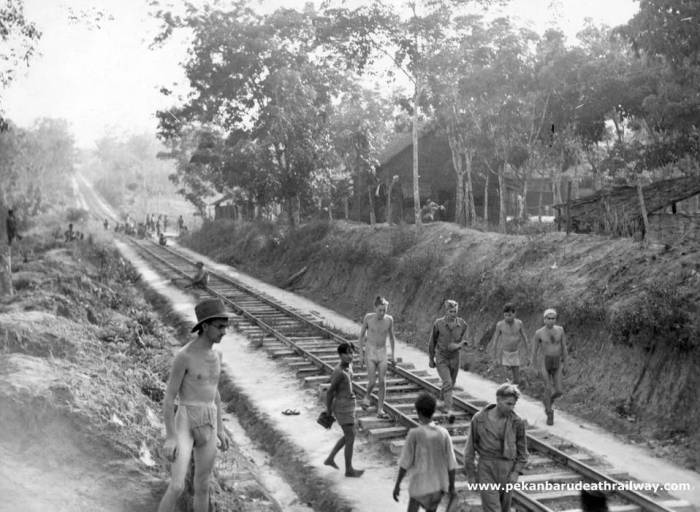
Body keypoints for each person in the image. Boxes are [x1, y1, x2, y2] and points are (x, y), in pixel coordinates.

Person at [158, 298, 232, 512]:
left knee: (203, 486)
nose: (224, 332)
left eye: (226, 326)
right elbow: (169, 397)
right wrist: (171, 437)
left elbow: (214, 392)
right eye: (220, 327)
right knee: (177, 486)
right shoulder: (185, 356)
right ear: (205, 326)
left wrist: (221, 429)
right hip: (185, 420)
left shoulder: (217, 355)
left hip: (208, 419)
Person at [463, 383, 528, 512]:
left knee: (504, 509)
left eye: (513, 404)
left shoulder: (517, 422)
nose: (511, 408)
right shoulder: (479, 419)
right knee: (493, 509)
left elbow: (523, 453)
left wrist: (516, 472)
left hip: (507, 470)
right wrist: (471, 475)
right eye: (508, 404)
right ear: (498, 400)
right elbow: (469, 450)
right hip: (486, 468)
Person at [393, 392, 458, 512]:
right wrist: (452, 487)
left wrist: (397, 485)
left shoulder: (414, 434)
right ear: (433, 411)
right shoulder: (444, 433)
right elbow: (451, 464)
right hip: (438, 486)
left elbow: (405, 463)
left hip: (420, 485)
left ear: (418, 413)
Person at [324, 342, 364, 477]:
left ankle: (330, 459)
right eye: (347, 353)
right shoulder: (339, 371)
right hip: (341, 407)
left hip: (349, 405)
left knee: (349, 434)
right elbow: (330, 392)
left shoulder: (349, 367)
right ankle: (349, 469)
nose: (350, 356)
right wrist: (328, 411)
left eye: (351, 352)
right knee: (350, 435)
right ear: (340, 355)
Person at [428, 300, 468, 417]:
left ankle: (440, 401)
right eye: (451, 311)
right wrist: (431, 358)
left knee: (451, 383)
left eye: (455, 311)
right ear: (446, 311)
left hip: (455, 358)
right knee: (448, 382)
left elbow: (464, 339)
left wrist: (462, 344)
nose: (453, 314)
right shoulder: (438, 324)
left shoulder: (462, 324)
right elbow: (432, 342)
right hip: (442, 357)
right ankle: (448, 409)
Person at [359, 296, 396, 419]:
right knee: (372, 381)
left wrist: (393, 355)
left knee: (382, 381)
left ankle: (380, 409)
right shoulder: (368, 318)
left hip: (382, 352)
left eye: (384, 310)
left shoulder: (389, 320)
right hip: (370, 351)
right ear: (375, 308)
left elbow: (391, 338)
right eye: (380, 310)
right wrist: (361, 354)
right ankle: (367, 396)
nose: (382, 313)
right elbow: (361, 336)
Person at [532, 308, 568, 426]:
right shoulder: (539, 333)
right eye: (548, 318)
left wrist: (566, 363)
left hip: (557, 362)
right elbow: (534, 351)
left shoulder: (560, 330)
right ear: (544, 319)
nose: (551, 321)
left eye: (553, 318)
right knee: (547, 388)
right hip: (545, 361)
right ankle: (549, 412)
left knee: (559, 391)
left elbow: (564, 347)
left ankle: (548, 401)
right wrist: (535, 367)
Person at [489, 303, 530, 386]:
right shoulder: (500, 325)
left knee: (516, 380)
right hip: (504, 353)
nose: (507, 317)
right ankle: (504, 394)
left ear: (514, 314)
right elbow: (495, 341)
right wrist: (494, 357)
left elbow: (525, 338)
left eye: (510, 315)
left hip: (515, 353)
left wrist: (528, 355)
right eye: (506, 315)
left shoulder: (519, 323)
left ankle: (513, 393)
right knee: (505, 379)